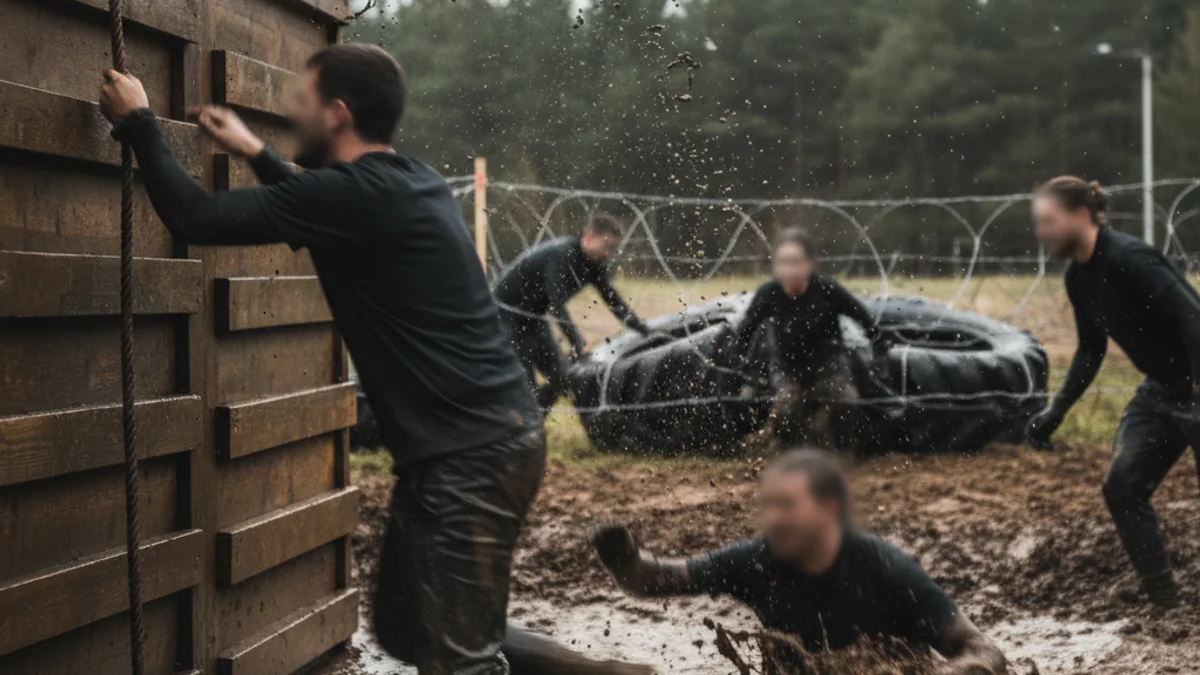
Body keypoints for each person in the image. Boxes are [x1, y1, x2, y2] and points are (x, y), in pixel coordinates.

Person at [99, 44, 649, 675]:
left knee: (455, 656)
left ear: (336, 114)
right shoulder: (409, 180)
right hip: (484, 444)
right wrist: (254, 152)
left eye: (301, 102)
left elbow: (194, 215)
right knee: (407, 624)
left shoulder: (349, 198)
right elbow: (327, 209)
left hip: (469, 456)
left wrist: (138, 122)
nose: (291, 113)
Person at [592, 448, 1006, 675]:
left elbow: (983, 649)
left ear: (828, 511)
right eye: (770, 506)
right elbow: (657, 579)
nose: (773, 519)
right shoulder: (755, 560)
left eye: (788, 506)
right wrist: (624, 559)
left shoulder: (885, 566)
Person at [1026, 176, 1200, 609]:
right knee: (1122, 486)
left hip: (1196, 384)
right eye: (1039, 223)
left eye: (1048, 221)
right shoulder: (1078, 279)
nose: (1042, 232)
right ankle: (1167, 606)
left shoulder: (1130, 258)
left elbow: (1192, 316)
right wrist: (1057, 410)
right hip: (1160, 392)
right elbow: (1089, 350)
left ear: (1081, 216)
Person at [730, 228, 885, 446]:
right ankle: (787, 452)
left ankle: (838, 451)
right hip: (787, 366)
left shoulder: (828, 290)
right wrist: (745, 369)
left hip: (829, 365)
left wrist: (879, 354)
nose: (789, 269)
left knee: (846, 401)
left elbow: (865, 319)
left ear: (810, 263)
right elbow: (744, 332)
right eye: (783, 262)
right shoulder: (768, 293)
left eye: (795, 261)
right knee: (786, 409)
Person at [493, 216, 651, 409]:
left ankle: (536, 416)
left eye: (613, 249)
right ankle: (527, 424)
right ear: (590, 236)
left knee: (561, 375)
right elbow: (557, 304)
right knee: (523, 381)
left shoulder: (593, 264)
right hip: (506, 315)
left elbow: (612, 300)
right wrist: (576, 340)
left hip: (535, 317)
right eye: (606, 246)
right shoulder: (562, 254)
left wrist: (643, 329)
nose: (608, 253)